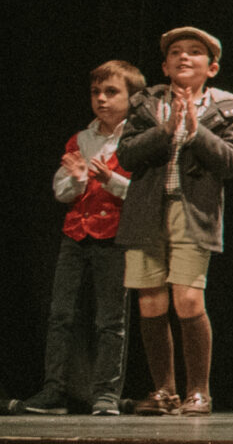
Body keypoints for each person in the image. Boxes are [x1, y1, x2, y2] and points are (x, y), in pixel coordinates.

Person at [120, 27, 233, 417]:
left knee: (189, 300)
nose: (184, 58)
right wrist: (166, 130)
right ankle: (164, 391)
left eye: (195, 52)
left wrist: (195, 131)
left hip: (193, 213)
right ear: (164, 65)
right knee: (152, 302)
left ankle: (198, 391)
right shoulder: (145, 102)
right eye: (176, 52)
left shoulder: (226, 107)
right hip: (146, 211)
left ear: (212, 67)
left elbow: (231, 162)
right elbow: (126, 156)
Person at [19, 61, 142, 417]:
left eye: (111, 92)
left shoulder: (135, 139)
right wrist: (76, 178)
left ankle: (106, 393)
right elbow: (62, 190)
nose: (101, 99)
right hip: (76, 234)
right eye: (96, 93)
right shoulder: (82, 139)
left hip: (115, 236)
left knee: (110, 320)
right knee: (61, 315)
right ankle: (55, 389)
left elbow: (142, 194)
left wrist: (109, 180)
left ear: (132, 98)